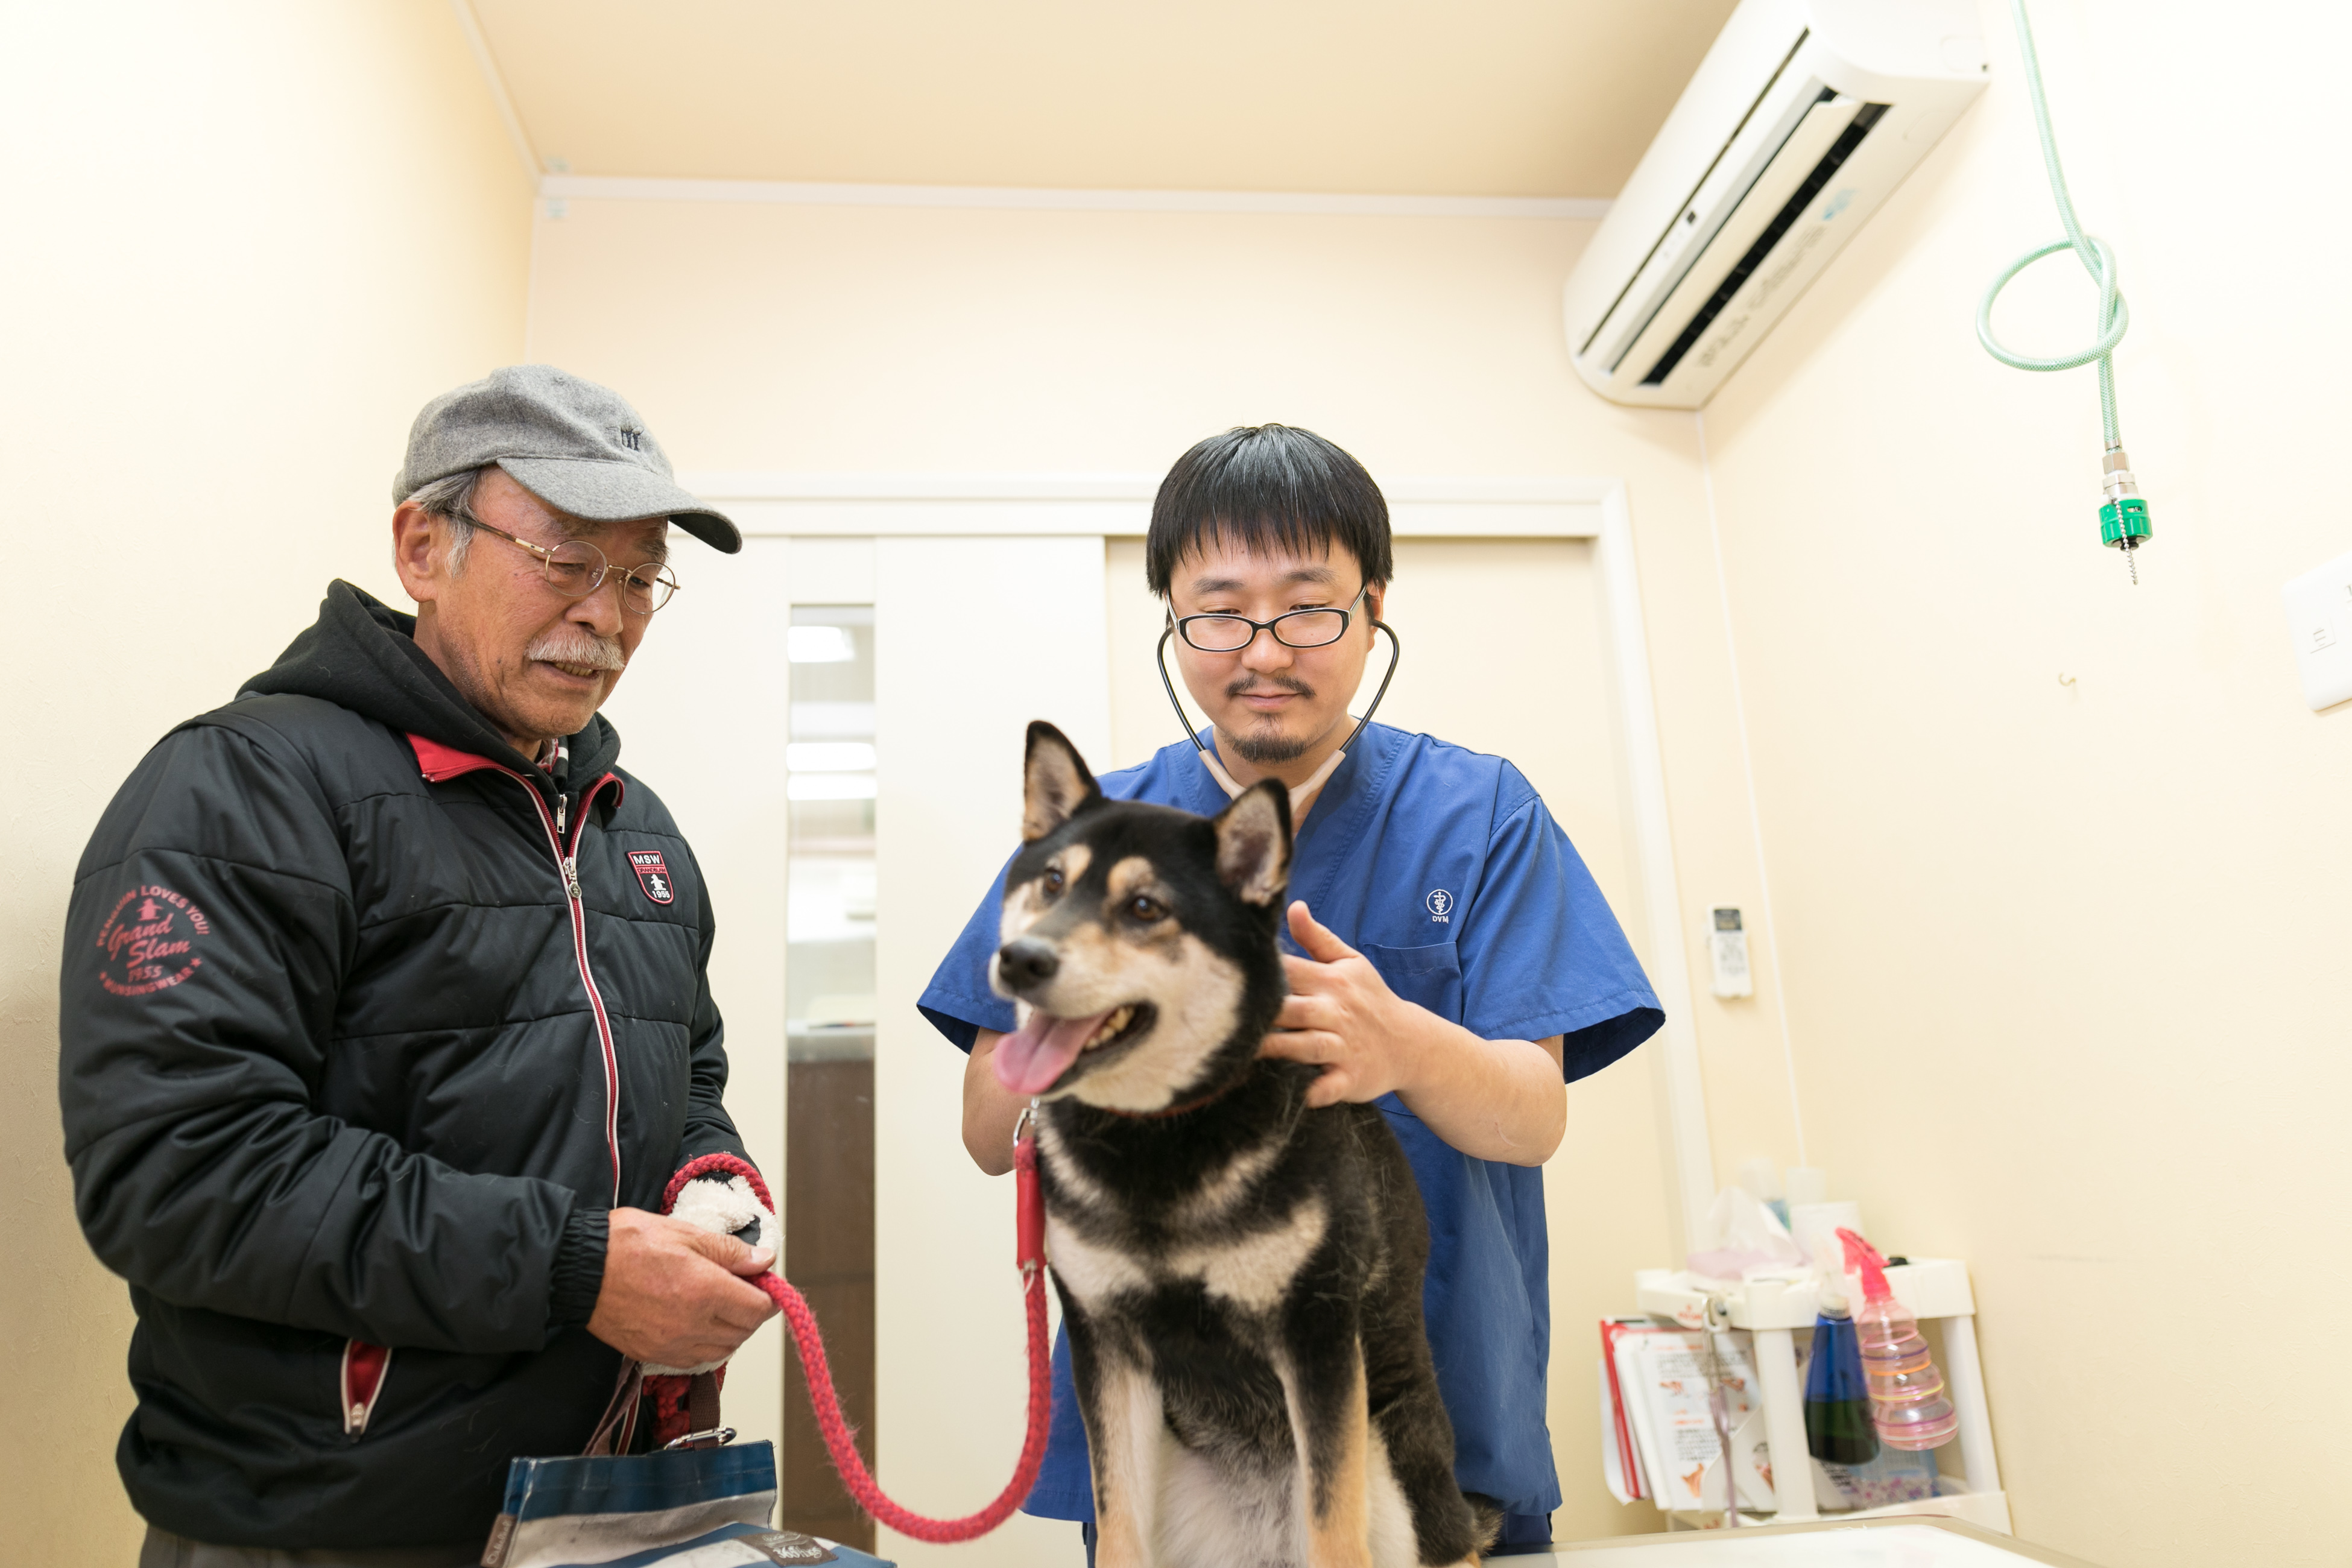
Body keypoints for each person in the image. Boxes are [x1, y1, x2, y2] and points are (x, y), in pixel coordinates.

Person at [58, 366, 780, 1567]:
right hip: (321, 1528)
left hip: (593, 1512)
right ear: (421, 545)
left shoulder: (631, 824)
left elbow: (687, 1069)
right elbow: (177, 1171)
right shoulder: (244, 789)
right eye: (563, 558)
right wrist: (575, 1265)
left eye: (639, 573)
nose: (605, 613)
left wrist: (712, 1180)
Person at [920, 424, 1666, 1557]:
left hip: (1426, 1422)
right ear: (1174, 624)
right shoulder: (1101, 835)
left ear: (1373, 609)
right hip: (1170, 1466)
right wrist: (1085, 1017)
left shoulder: (1481, 814)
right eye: (1219, 609)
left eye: (1308, 606)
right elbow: (986, 1134)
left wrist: (1404, 1047)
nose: (1262, 649)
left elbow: (1536, 1116)